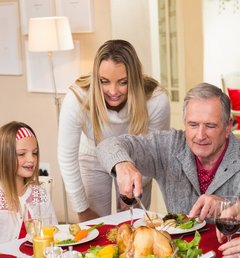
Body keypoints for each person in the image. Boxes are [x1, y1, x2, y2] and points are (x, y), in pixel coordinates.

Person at [58, 39, 170, 222]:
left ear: (133, 78)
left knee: (134, 225)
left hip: (137, 163)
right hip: (92, 157)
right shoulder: (77, 98)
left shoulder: (156, 100)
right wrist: (82, 208)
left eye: (123, 82)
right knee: (95, 228)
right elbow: (66, 157)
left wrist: (132, 193)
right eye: (104, 81)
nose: (113, 91)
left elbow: (155, 154)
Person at [96, 82, 240, 220]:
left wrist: (227, 205)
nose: (200, 135)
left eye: (210, 125)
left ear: (227, 127)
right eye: (193, 125)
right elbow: (107, 145)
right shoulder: (169, 145)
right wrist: (122, 164)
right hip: (178, 245)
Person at [0, 121, 57, 243]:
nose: (32, 159)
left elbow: (54, 232)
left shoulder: (40, 194)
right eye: (22, 154)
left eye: (34, 153)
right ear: (4, 156)